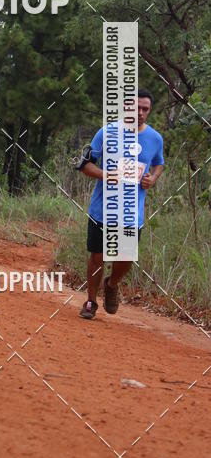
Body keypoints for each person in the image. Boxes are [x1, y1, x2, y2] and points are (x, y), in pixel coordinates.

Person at [77, 89, 164, 319]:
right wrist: (107, 175)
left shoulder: (155, 139)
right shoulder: (106, 133)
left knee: (125, 257)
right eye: (136, 108)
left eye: (145, 109)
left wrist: (151, 179)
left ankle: (112, 284)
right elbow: (85, 165)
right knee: (98, 255)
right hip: (102, 209)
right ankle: (90, 302)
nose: (141, 113)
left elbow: (158, 164)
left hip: (131, 212)